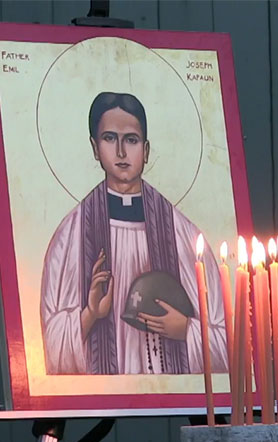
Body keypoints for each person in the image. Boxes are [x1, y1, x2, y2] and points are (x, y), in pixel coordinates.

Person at [40, 92, 229, 375]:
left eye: (131, 140)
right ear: (95, 148)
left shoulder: (183, 234)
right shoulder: (71, 235)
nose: (120, 152)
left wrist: (186, 330)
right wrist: (90, 314)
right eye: (109, 138)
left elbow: (228, 342)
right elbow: (51, 345)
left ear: (147, 150)